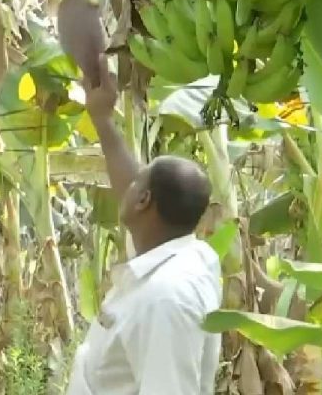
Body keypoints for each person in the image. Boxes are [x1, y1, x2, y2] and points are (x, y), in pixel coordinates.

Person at [66, 56, 223, 395]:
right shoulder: (179, 254)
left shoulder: (167, 300)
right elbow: (131, 185)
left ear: (143, 202)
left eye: (138, 181)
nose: (128, 183)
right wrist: (102, 118)